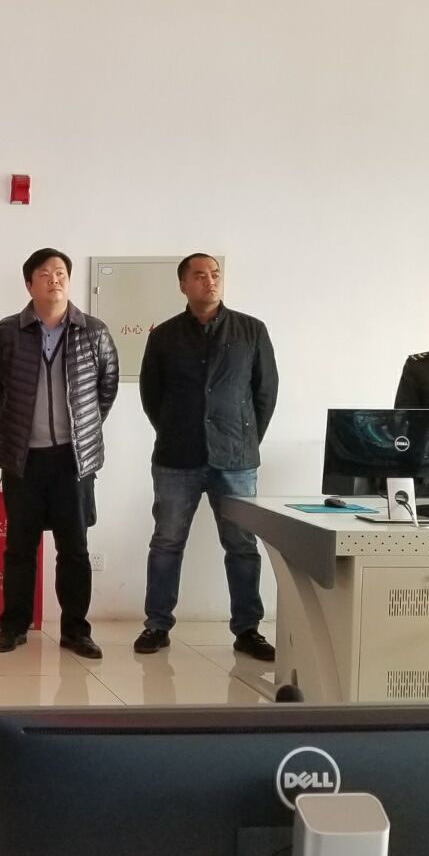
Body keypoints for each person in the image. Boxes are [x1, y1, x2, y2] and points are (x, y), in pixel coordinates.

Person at [137, 253, 278, 661]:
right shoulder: (164, 335)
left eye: (215, 274)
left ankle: (247, 630)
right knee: (166, 542)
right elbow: (151, 395)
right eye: (199, 276)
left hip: (235, 458)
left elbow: (265, 392)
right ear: (183, 285)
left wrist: (245, 439)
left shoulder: (251, 330)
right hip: (176, 456)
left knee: (242, 544)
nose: (210, 281)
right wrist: (173, 429)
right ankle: (157, 625)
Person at [0, 248, 118, 658]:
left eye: (60, 273)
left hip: (73, 461)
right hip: (23, 458)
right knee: (19, 548)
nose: (54, 280)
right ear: (29, 285)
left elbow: (105, 389)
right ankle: (14, 626)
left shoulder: (94, 332)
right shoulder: (8, 332)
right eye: (44, 274)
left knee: (74, 549)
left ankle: (75, 630)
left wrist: (83, 429)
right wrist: (16, 426)